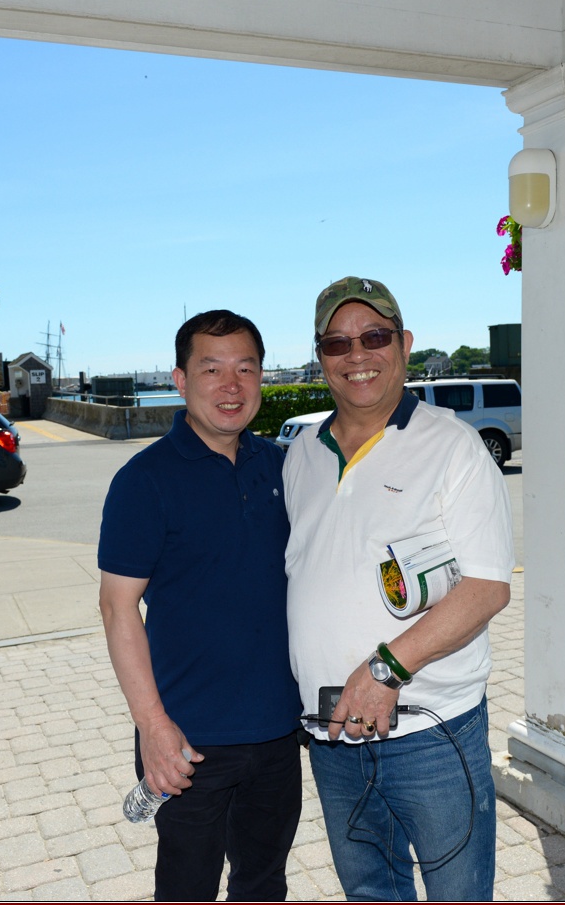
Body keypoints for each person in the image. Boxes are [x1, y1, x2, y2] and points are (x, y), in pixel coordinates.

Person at [284, 276, 515, 901]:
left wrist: (385, 670)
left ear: (404, 344)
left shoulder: (454, 447)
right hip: (332, 736)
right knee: (370, 894)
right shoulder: (302, 454)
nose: (356, 354)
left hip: (430, 734)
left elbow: (488, 588)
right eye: (336, 343)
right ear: (320, 356)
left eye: (374, 337)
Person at [97, 309, 303, 902]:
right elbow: (117, 609)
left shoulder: (282, 467)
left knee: (263, 885)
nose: (231, 385)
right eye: (212, 369)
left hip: (276, 733)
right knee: (187, 890)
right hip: (188, 743)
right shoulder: (144, 480)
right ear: (181, 380)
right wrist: (153, 728)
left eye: (246, 369)